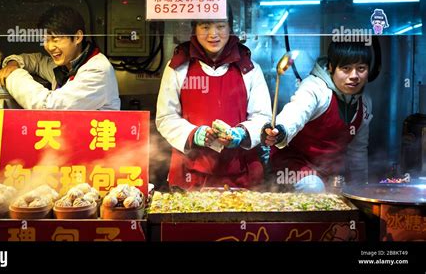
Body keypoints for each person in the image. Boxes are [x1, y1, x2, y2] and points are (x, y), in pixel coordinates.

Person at [156, 18, 271, 189]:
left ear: (231, 27)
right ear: (194, 28)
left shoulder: (249, 69)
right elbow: (166, 117)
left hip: (241, 175)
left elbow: (262, 117)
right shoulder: (177, 67)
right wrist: (194, 134)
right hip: (190, 176)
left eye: (220, 26)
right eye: (205, 26)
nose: (213, 34)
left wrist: (241, 133)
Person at [261, 41, 373, 192]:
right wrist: (280, 130)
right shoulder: (315, 88)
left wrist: (361, 191)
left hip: (328, 171)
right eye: (346, 68)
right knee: (313, 187)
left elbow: (357, 151)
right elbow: (296, 111)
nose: (354, 76)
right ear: (332, 68)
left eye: (361, 69)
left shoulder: (364, 103)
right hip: (292, 165)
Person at [0, 6, 120, 110]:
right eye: (45, 40)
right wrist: (13, 63)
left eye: (55, 40)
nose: (49, 47)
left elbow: (48, 106)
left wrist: (14, 74)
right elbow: (39, 62)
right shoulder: (67, 65)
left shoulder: (97, 70)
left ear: (78, 37)